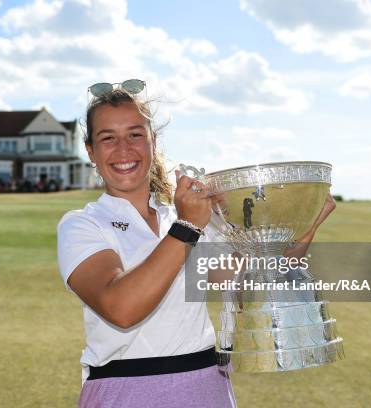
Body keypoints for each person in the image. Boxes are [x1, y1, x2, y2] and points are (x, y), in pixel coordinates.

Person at [56, 84, 335, 407]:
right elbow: (121, 308)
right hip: (126, 392)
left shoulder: (186, 217)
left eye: (135, 134)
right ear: (90, 151)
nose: (123, 149)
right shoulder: (83, 224)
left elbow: (251, 287)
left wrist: (305, 226)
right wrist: (187, 227)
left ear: (152, 141)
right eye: (108, 138)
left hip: (206, 387)